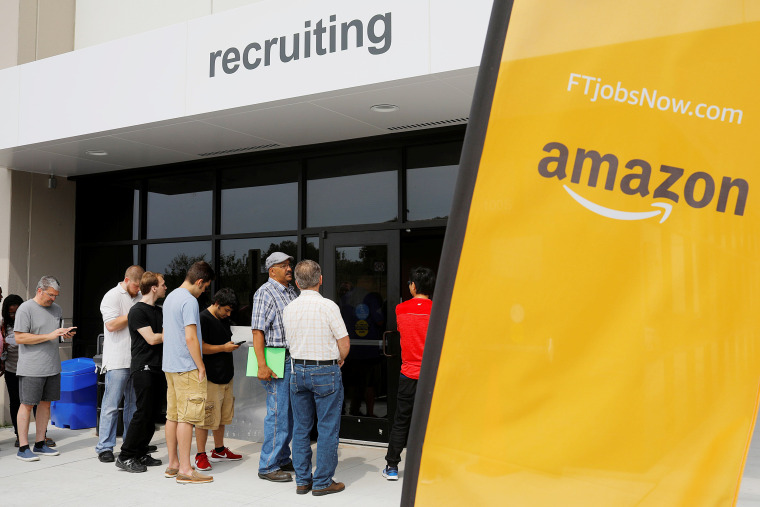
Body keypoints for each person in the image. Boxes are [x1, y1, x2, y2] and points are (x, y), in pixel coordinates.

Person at [283, 260, 350, 496]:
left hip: (297, 370)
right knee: (327, 428)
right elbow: (344, 342)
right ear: (320, 279)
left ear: (298, 282)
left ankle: (303, 480)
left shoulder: (289, 308)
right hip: (325, 370)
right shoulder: (328, 306)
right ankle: (322, 482)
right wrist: (340, 358)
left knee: (301, 428)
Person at [162, 261, 215, 484]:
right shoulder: (189, 301)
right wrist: (201, 365)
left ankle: (173, 463)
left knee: (172, 416)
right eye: (204, 288)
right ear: (199, 281)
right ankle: (185, 469)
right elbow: (191, 337)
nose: (203, 291)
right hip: (187, 367)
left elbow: (166, 333)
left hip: (170, 366)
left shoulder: (171, 296)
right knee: (187, 418)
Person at [382, 267, 436, 481]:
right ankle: (427, 468)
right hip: (432, 376)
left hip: (408, 373)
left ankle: (392, 467)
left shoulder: (401, 309)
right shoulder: (439, 309)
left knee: (401, 420)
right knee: (430, 422)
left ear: (413, 286)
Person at [14, 276, 76, 461]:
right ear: (39, 290)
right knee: (26, 405)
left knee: (46, 404)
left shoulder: (57, 309)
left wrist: (64, 335)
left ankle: (40, 443)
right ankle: (23, 447)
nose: (53, 299)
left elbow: (54, 336)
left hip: (52, 366)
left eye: (56, 295)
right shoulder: (25, 309)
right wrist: (50, 335)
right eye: (51, 295)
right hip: (31, 367)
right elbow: (20, 338)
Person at [251, 251, 298, 482]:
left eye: (289, 264)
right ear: (272, 271)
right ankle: (267, 466)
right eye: (284, 265)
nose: (289, 268)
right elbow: (257, 331)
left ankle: (281, 457)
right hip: (276, 357)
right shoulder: (265, 293)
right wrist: (262, 364)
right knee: (278, 412)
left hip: (292, 358)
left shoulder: (290, 291)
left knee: (288, 413)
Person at [115, 272, 167, 472]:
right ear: (153, 287)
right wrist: (172, 332)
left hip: (158, 367)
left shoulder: (159, 311)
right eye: (163, 284)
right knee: (143, 412)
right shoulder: (137, 311)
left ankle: (141, 452)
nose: (165, 287)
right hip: (143, 368)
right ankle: (126, 455)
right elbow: (152, 338)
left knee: (153, 414)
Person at [95, 265, 144, 463]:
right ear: (127, 280)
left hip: (137, 360)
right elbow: (111, 325)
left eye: (140, 287)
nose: (138, 289)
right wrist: (135, 312)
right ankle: (105, 447)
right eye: (135, 285)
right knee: (111, 405)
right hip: (117, 360)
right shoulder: (112, 296)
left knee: (134, 407)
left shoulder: (140, 296)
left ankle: (129, 445)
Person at [194, 288, 242, 472]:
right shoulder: (203, 318)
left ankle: (219, 450)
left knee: (221, 417)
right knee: (205, 417)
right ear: (216, 303)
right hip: (210, 376)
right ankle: (200, 454)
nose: (228, 314)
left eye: (231, 311)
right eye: (226, 310)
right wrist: (223, 348)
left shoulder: (224, 319)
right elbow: (200, 347)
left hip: (226, 374)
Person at [2, 294, 24, 446]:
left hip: (29, 369)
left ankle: (41, 436)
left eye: (17, 312)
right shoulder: (4, 326)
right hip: (11, 369)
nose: (15, 315)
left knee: (34, 402)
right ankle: (18, 435)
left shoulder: (28, 323)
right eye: (11, 312)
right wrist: (5, 347)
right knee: (15, 402)